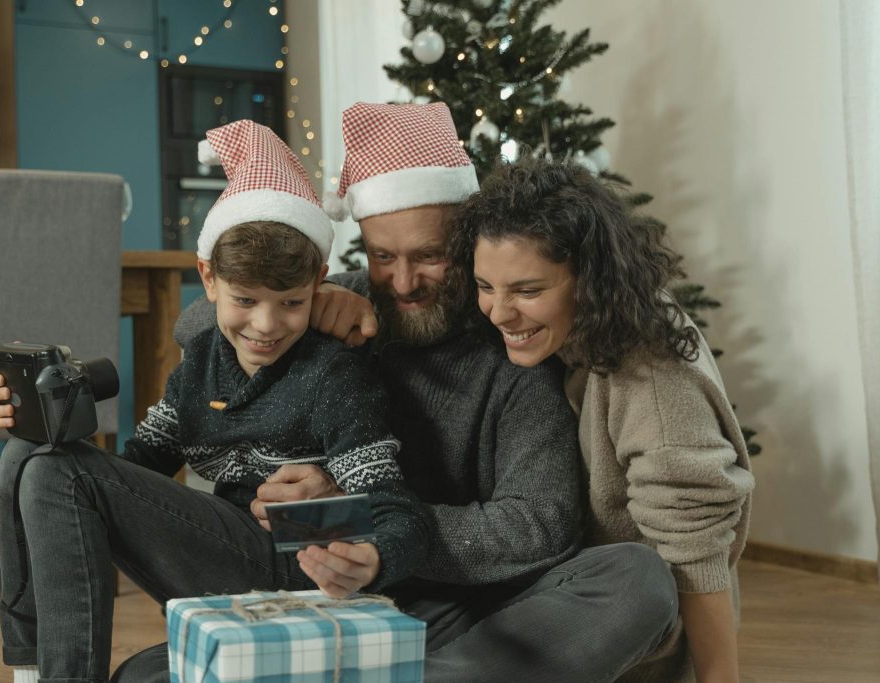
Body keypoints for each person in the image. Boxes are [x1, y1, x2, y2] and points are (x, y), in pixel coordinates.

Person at [111, 103, 679, 683]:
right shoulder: (337, 307)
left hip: (463, 612)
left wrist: (354, 518)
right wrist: (323, 296)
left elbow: (540, 524)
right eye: (384, 257)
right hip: (322, 598)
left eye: (430, 256)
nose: (404, 283)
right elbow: (199, 324)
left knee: (637, 578)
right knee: (143, 676)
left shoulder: (514, 345)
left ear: (468, 245)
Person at [0, 120, 429, 683]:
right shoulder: (200, 365)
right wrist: (32, 417)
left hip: (296, 569)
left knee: (52, 473)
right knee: (30, 456)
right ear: (208, 277)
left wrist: (371, 557)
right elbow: (131, 475)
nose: (267, 326)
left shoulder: (334, 376)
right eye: (246, 299)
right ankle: (31, 669)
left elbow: (400, 514)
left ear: (319, 281)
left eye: (292, 303)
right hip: (223, 555)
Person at [447, 156, 756, 682]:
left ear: (589, 281)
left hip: (622, 634)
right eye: (485, 286)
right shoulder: (570, 336)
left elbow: (696, 552)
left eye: (526, 290)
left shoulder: (653, 382)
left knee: (637, 577)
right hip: (551, 598)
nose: (499, 313)